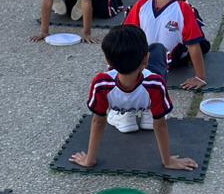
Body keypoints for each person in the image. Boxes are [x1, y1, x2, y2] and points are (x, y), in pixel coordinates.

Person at [69, 25, 196, 171]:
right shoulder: (156, 84)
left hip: (120, 96)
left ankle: (124, 115)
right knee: (159, 49)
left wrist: (89, 160)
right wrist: (167, 161)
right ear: (146, 59)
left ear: (107, 61)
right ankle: (149, 112)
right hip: (148, 94)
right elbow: (160, 125)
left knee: (150, 53)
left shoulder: (101, 83)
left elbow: (98, 121)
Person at [124, 0, 209, 87]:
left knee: (201, 44)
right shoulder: (141, 4)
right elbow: (126, 36)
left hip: (168, 60)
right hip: (142, 59)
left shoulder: (183, 8)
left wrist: (200, 77)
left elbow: (193, 44)